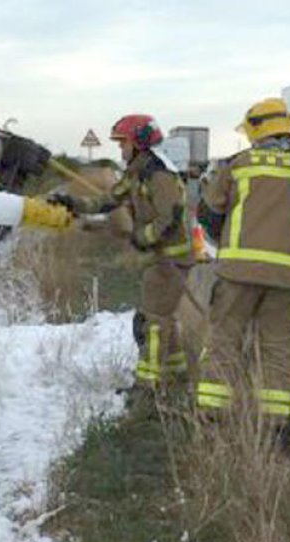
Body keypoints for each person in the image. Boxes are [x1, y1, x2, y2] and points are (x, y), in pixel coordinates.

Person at [195, 97, 290, 424]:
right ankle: (273, 425)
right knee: (276, 348)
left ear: (257, 130)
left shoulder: (240, 165)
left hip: (238, 274)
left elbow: (209, 213)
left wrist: (231, 241)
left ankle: (212, 416)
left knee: (224, 341)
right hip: (289, 279)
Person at [53, 115, 193, 391]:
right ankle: (178, 376)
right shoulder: (137, 171)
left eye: (123, 142)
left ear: (139, 143)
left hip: (170, 260)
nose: (120, 149)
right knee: (162, 317)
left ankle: (147, 387)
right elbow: (109, 200)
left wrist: (144, 237)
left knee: (152, 322)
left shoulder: (159, 173)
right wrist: (73, 203)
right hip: (158, 258)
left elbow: (171, 216)